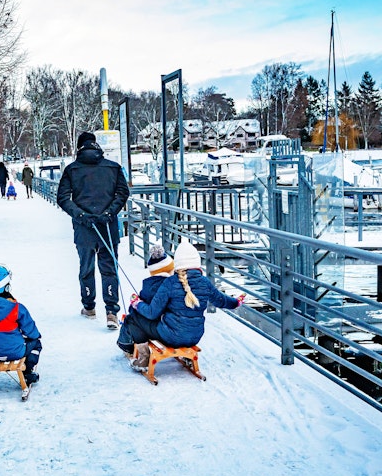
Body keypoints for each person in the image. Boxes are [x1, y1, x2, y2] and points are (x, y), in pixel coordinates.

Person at [117, 241, 243, 369]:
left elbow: (152, 312)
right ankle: (185, 356)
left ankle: (144, 358)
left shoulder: (170, 282)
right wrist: (237, 302)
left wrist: (137, 304)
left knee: (134, 319)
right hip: (195, 336)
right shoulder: (205, 282)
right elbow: (221, 301)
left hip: (170, 337)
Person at [57, 131, 130, 330]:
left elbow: (62, 198)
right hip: (108, 226)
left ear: (80, 147)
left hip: (84, 228)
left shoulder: (72, 170)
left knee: (86, 268)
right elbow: (123, 192)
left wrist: (80, 215)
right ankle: (112, 311)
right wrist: (110, 212)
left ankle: (89, 306)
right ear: (95, 145)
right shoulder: (113, 167)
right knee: (109, 269)